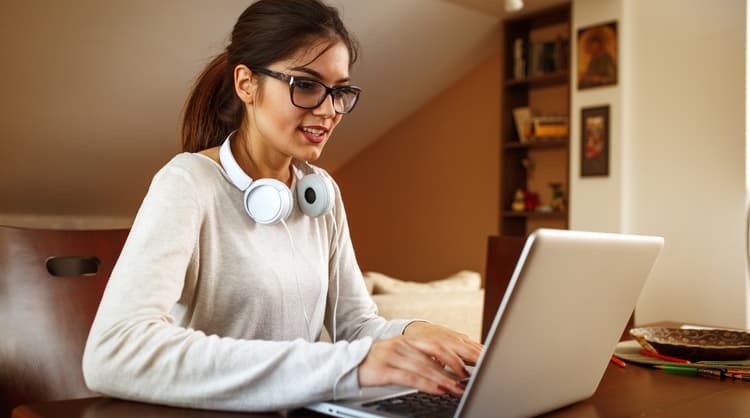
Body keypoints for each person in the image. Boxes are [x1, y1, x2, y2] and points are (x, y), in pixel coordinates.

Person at [82, 0, 482, 412]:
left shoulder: (319, 191)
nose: (328, 111)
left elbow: (357, 325)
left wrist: (420, 333)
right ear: (246, 84)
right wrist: (348, 365)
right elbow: (114, 351)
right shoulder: (186, 184)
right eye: (306, 85)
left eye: (340, 91)